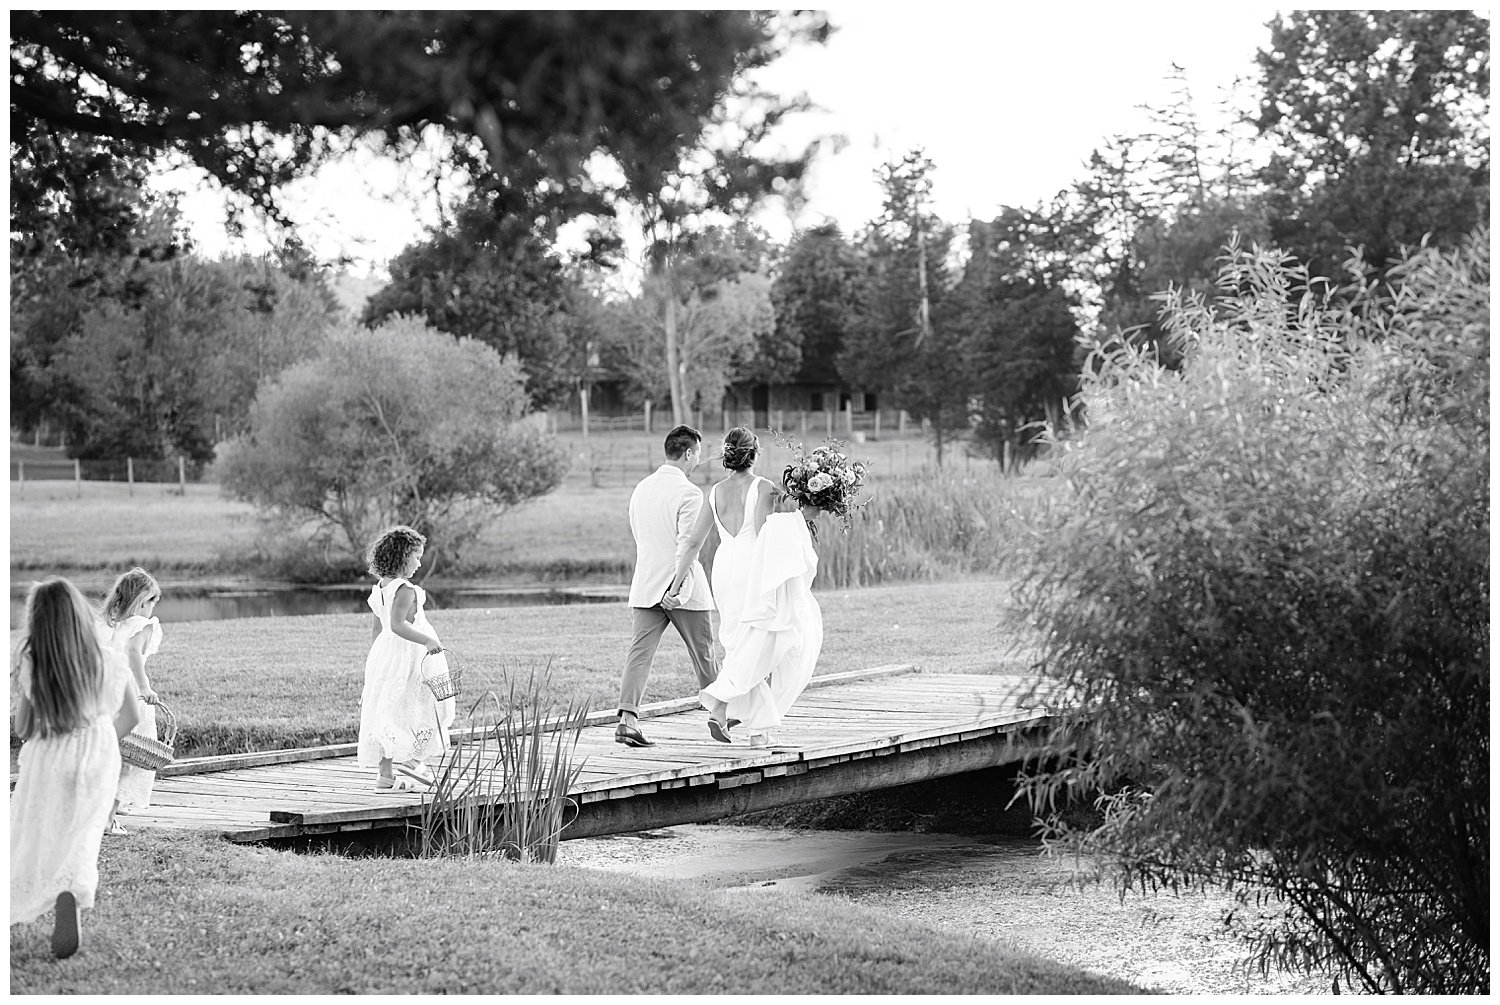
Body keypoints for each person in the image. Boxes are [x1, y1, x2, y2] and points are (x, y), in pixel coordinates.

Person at [668, 427, 824, 747]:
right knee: (764, 645)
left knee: (742, 646)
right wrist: (806, 514)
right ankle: (721, 705)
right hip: (755, 569)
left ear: (728, 455)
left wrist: (676, 581)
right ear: (754, 454)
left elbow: (694, 541)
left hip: (725, 570)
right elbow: (772, 532)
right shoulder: (763, 487)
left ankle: (759, 731)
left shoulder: (713, 492)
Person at [11, 577, 141, 959]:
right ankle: (74, 884)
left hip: (50, 755)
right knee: (84, 831)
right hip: (99, 752)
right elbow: (131, 715)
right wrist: (100, 741)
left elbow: (23, 728)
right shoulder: (109, 655)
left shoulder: (35, 659)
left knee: (41, 830)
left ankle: (52, 883)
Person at [616, 424, 722, 747]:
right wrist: (675, 590)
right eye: (698, 455)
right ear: (688, 453)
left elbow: (641, 537)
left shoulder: (641, 488)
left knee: (639, 654)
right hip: (681, 588)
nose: (698, 461)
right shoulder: (689, 493)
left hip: (646, 583)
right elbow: (686, 546)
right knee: (703, 654)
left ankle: (627, 719)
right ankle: (719, 713)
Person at [357, 525, 454, 791]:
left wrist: (376, 658)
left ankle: (386, 775)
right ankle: (413, 761)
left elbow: (379, 629)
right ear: (402, 557)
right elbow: (398, 624)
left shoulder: (380, 587)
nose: (420, 563)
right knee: (427, 704)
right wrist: (427, 640)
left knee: (389, 709)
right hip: (411, 654)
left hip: (386, 654)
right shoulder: (406, 589)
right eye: (417, 557)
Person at [97, 567, 164, 834]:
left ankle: (110, 805)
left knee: (115, 752)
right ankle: (109, 817)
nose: (153, 608)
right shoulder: (144, 625)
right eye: (152, 602)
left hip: (111, 692)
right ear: (142, 601)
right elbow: (135, 654)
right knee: (133, 756)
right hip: (132, 695)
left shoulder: (113, 625)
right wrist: (145, 687)